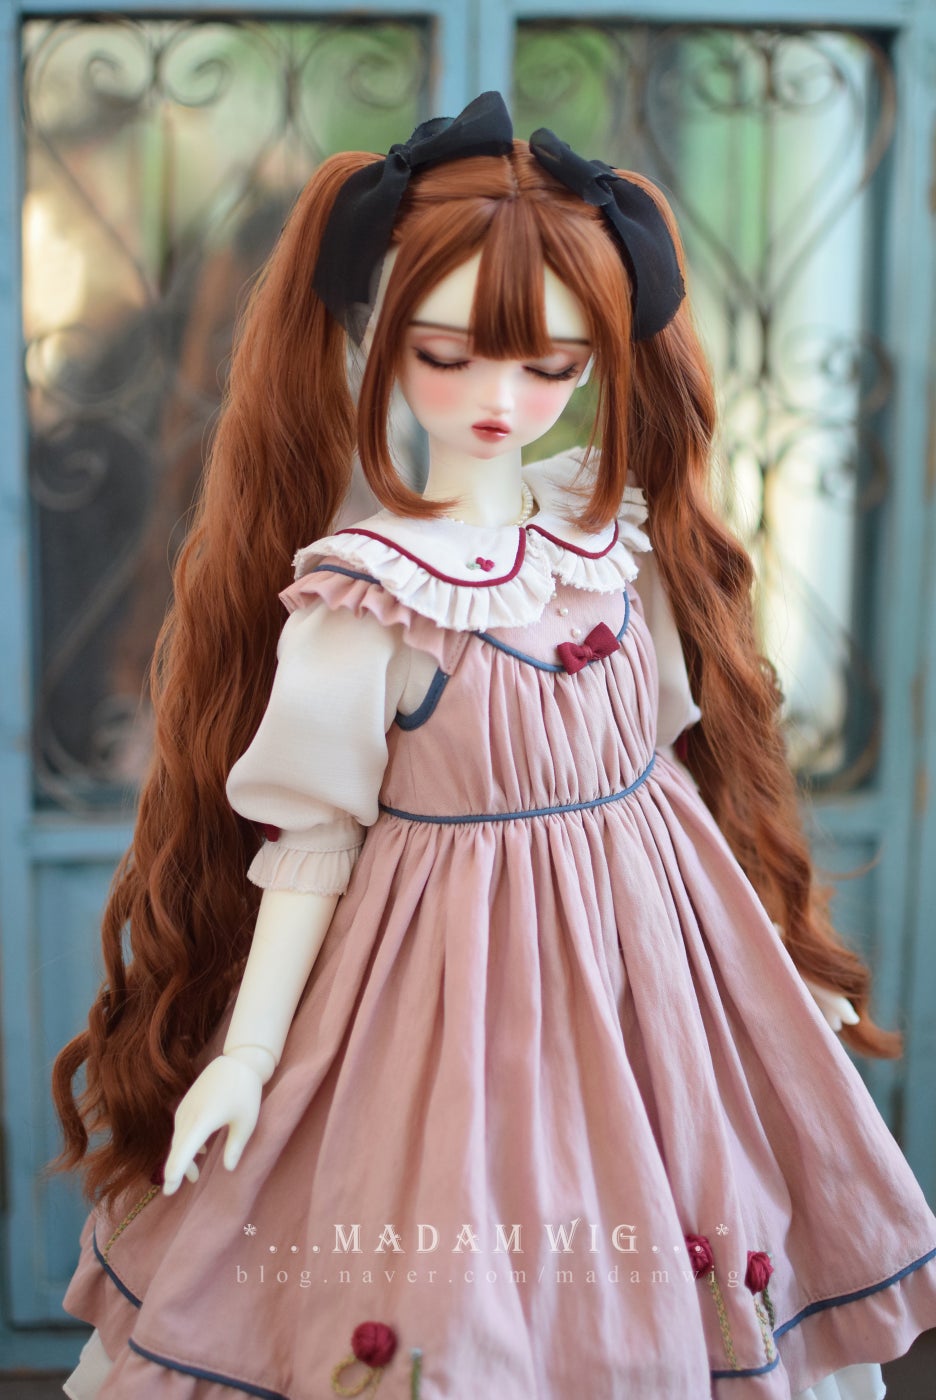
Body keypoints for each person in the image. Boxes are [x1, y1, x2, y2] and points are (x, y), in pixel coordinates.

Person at [53, 92, 936, 1399]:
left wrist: (767, 964)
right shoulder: (367, 599)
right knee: (458, 1284)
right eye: (450, 355)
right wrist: (246, 1056)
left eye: (551, 369)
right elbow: (311, 844)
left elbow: (671, 774)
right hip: (446, 1000)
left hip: (657, 997)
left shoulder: (612, 540)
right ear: (375, 334)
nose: (501, 400)